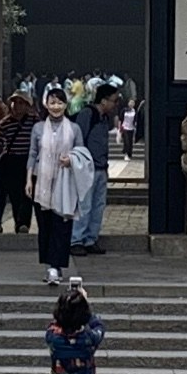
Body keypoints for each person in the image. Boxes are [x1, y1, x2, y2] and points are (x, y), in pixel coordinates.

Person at [26, 90, 84, 285]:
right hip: (41, 182)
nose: (56, 106)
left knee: (62, 225)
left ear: (66, 105)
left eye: (60, 103)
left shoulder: (74, 129)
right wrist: (28, 180)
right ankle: (49, 265)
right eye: (52, 102)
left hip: (65, 182)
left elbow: (81, 153)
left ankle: (56, 266)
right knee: (45, 225)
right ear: (46, 104)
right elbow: (33, 154)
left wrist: (71, 160)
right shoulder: (38, 128)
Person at [0, 88, 39, 238]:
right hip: (10, 161)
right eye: (14, 103)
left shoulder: (35, 122)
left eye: (20, 103)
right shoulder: (6, 122)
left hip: (28, 162)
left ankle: (23, 223)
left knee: (27, 195)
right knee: (12, 194)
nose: (17, 106)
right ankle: (6, 222)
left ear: (27, 105)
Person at [73, 84, 120, 251]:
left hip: (101, 167)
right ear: (103, 100)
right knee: (84, 205)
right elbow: (78, 140)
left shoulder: (104, 118)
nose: (115, 105)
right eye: (113, 101)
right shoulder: (88, 114)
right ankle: (76, 240)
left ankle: (90, 239)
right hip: (87, 167)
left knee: (98, 205)